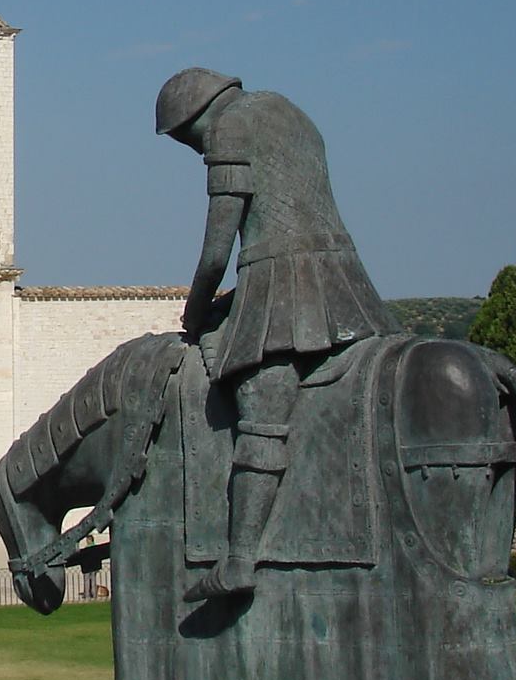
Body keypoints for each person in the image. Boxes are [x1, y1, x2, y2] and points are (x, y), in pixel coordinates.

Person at [156, 68, 397, 602]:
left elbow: (218, 248)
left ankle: (240, 559)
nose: (196, 153)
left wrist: (195, 312)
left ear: (195, 118)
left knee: (260, 403)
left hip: (283, 282)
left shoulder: (227, 130)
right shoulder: (291, 111)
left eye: (185, 140)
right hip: (344, 278)